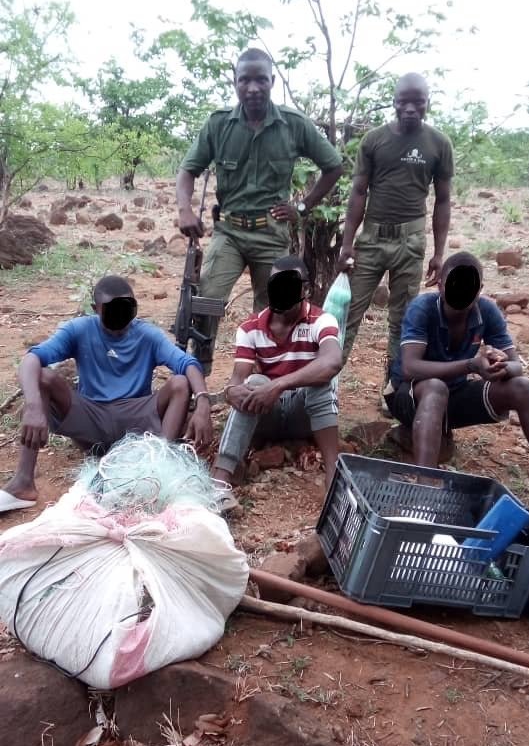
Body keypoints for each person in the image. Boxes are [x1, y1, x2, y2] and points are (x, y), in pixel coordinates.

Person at [176, 46, 343, 374]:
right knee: (207, 295)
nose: (253, 88)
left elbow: (333, 165)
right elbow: (187, 171)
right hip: (230, 231)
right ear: (235, 83)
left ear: (272, 82)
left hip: (271, 232)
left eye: (261, 80)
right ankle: (200, 368)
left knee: (275, 306)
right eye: (244, 80)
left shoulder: (293, 125)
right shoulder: (219, 124)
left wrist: (302, 206)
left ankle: (264, 377)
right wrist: (184, 209)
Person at [0, 275, 212, 513]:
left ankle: (156, 468)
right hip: (92, 417)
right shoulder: (79, 329)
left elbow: (187, 363)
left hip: (136, 420)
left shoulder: (146, 334)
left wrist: (203, 401)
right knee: (42, 378)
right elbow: (32, 358)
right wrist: (33, 407)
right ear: (95, 309)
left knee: (180, 383)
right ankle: (23, 482)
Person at [338, 73, 454, 382]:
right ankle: (326, 384)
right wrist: (347, 243)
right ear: (394, 103)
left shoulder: (439, 143)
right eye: (404, 102)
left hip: (411, 243)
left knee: (403, 320)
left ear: (428, 103)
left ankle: (395, 389)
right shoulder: (374, 140)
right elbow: (359, 192)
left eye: (419, 102)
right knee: (348, 312)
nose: (411, 109)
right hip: (372, 240)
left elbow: (443, 200)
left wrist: (439, 254)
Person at [384, 252, 529, 467]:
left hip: (453, 397)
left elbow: (516, 366)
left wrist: (500, 365)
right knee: (435, 388)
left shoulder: (487, 311)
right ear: (440, 285)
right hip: (408, 396)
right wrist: (471, 365)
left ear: (480, 289)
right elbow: (410, 368)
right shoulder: (423, 308)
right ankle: (425, 484)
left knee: (522, 387)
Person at [211, 256, 342, 506]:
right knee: (255, 382)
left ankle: (333, 475)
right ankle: (220, 482)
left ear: (306, 290)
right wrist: (232, 393)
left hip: (304, 414)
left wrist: (279, 384)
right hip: (266, 413)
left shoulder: (321, 320)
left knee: (321, 382)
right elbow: (237, 379)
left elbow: (332, 362)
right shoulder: (250, 328)